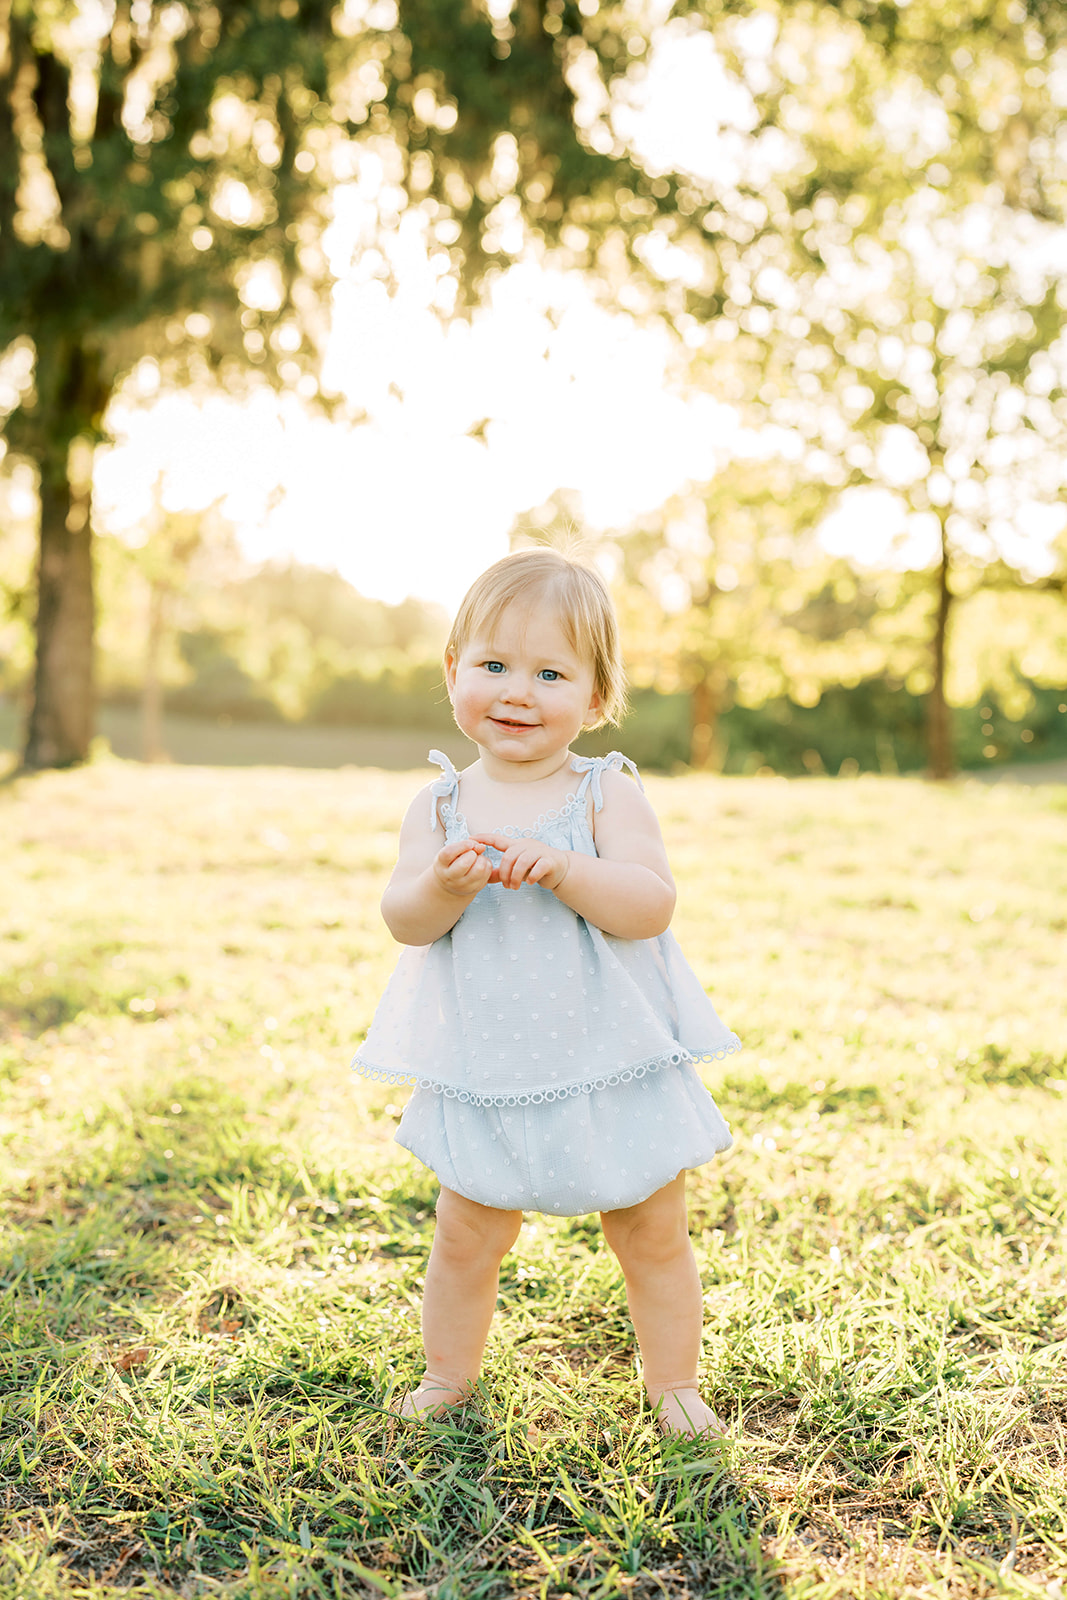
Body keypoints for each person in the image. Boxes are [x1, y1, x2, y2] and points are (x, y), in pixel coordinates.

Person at [353, 549, 741, 1437]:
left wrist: (569, 869)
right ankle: (448, 1376)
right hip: (489, 1063)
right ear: (452, 674)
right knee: (465, 1235)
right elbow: (404, 920)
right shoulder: (441, 808)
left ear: (597, 699)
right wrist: (443, 889)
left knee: (649, 1233)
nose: (516, 691)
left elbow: (650, 905)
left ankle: (674, 1385)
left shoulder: (603, 793)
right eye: (492, 665)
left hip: (613, 1061)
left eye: (550, 673)